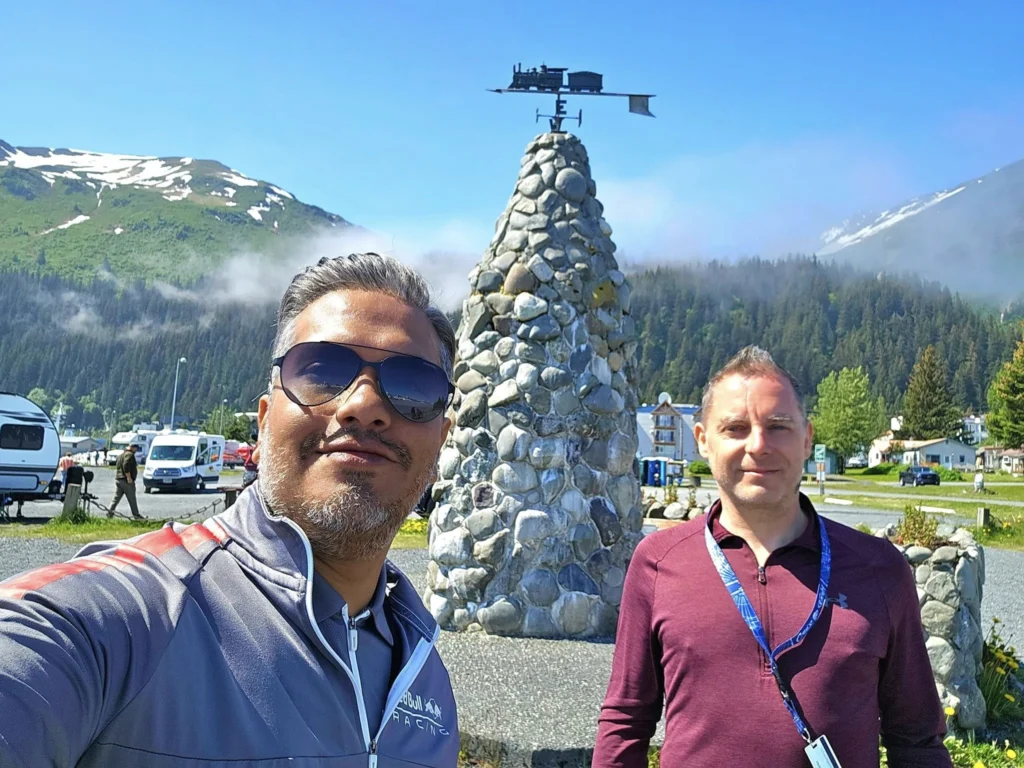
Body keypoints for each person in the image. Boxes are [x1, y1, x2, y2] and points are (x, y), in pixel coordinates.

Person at [0, 253, 460, 767]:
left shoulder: (422, 665)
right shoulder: (120, 622)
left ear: (440, 444)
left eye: (413, 387)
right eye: (323, 371)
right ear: (262, 427)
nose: (364, 404)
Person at [594, 346, 951, 768]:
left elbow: (916, 739)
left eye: (778, 426)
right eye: (736, 428)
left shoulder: (878, 568)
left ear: (807, 438)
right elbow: (626, 722)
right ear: (703, 440)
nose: (759, 445)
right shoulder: (657, 562)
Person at [107, 442, 143, 519]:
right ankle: (136, 516)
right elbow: (126, 465)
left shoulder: (120, 455)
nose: (136, 449)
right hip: (126, 481)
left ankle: (109, 512)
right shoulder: (130, 455)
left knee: (116, 498)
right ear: (132, 448)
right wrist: (129, 477)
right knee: (132, 499)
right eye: (135, 447)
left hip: (119, 480)